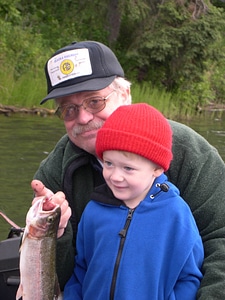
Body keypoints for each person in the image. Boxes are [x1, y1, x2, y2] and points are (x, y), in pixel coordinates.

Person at [32, 40, 225, 299]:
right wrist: (56, 234)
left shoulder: (190, 151)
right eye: (69, 109)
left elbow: (220, 238)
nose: (83, 118)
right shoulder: (54, 173)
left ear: (125, 95)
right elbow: (63, 276)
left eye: (95, 101)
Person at [63, 103, 204, 299]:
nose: (115, 177)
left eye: (128, 168)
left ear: (157, 169)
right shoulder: (94, 210)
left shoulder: (176, 214)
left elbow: (189, 277)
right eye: (109, 164)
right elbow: (81, 269)